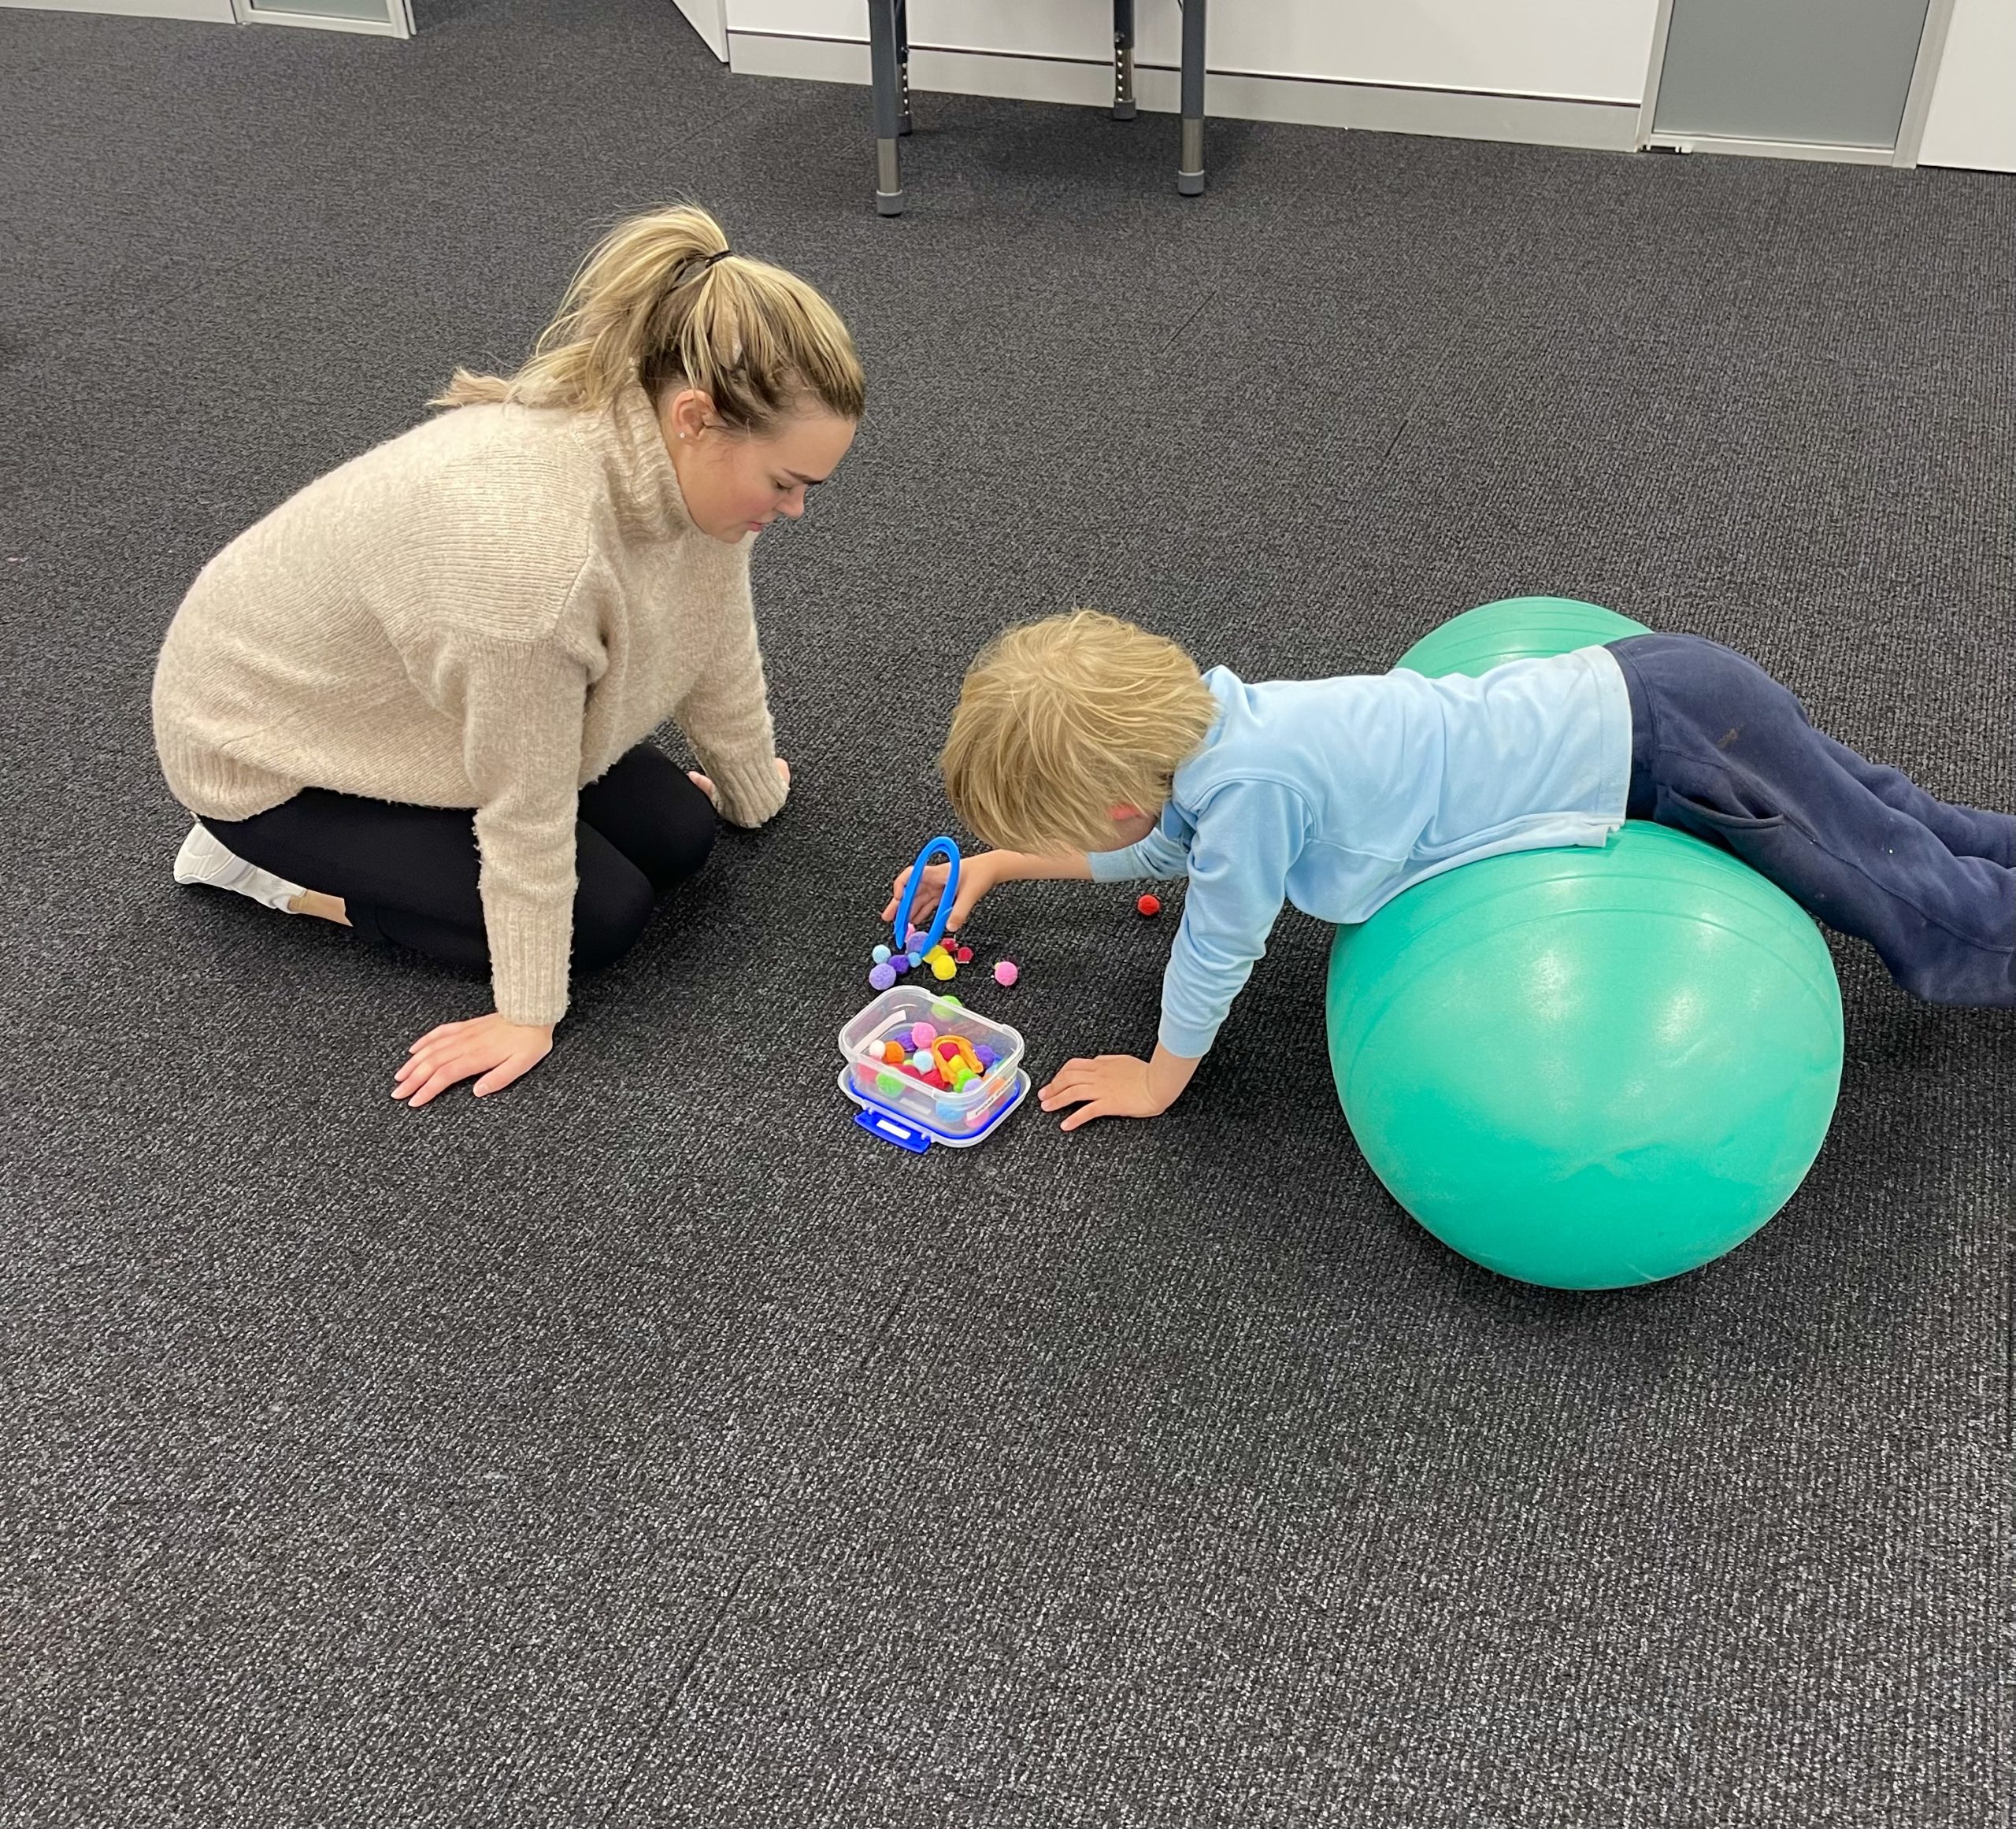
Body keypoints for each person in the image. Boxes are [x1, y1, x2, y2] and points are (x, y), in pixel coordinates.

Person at [154, 203, 863, 1106]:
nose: (794, 510)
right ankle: (258, 875)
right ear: (698, 417)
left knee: (682, 835)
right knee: (600, 920)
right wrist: (527, 1011)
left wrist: (751, 785)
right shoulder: (536, 570)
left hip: (408, 697)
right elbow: (523, 810)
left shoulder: (685, 458)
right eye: (786, 484)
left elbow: (711, 628)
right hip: (265, 755)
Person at [885, 610, 2014, 1129]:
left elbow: (1219, 936)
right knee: (1899, 825)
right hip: (1665, 688)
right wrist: (1003, 863)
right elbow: (1156, 844)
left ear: (1122, 787)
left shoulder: (1251, 793)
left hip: (1674, 750)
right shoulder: (1218, 731)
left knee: (1913, 909)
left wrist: (1158, 1076)